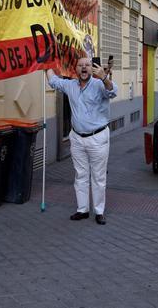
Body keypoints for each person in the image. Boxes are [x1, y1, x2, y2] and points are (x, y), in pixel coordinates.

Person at [47, 57, 118, 225]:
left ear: (91, 68)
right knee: (80, 175)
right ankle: (82, 209)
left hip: (97, 138)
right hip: (77, 138)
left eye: (87, 65)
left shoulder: (99, 84)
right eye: (81, 65)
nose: (84, 68)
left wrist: (104, 77)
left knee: (98, 177)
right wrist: (45, 65)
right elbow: (54, 81)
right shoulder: (70, 85)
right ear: (76, 69)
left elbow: (112, 91)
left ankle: (99, 211)